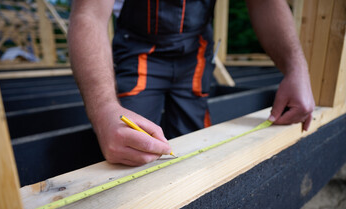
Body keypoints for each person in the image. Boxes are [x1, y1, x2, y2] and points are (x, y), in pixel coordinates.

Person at [68, 0, 315, 166]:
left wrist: (297, 68)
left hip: (195, 54)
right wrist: (104, 110)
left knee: (194, 139)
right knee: (130, 146)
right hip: (139, 51)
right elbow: (89, 13)